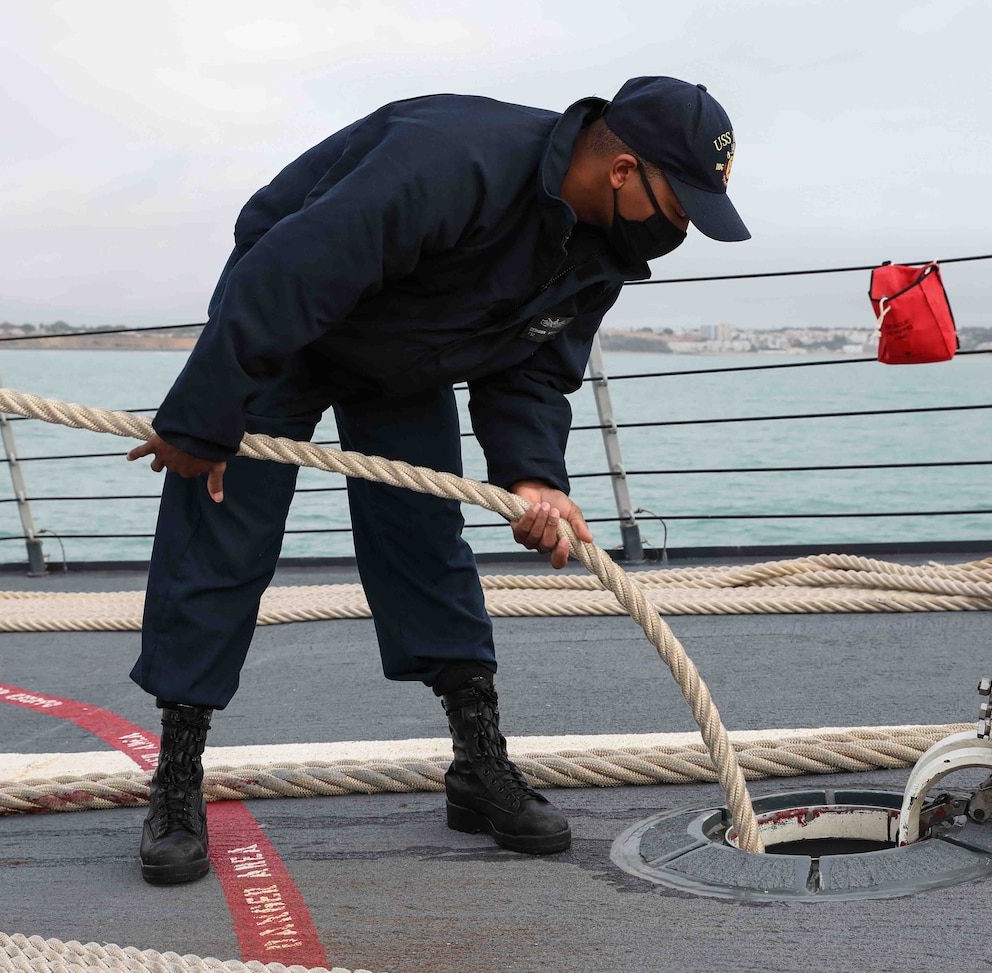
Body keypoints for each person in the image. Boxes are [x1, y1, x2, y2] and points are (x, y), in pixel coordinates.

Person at [124, 76, 749, 885]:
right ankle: (177, 776)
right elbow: (292, 269)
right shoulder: (452, 160)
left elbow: (534, 369)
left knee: (424, 535)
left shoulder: (604, 248)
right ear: (624, 170)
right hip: (286, 317)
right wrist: (203, 415)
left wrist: (534, 477)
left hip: (405, 353)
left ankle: (475, 762)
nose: (683, 229)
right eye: (682, 207)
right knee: (221, 522)